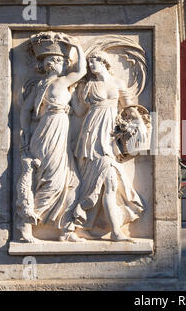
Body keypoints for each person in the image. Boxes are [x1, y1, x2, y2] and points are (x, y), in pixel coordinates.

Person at [71, 50, 145, 242]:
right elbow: (79, 111)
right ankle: (99, 229)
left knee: (107, 183)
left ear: (103, 61)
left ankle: (87, 226)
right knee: (99, 183)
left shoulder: (117, 83)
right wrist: (71, 91)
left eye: (93, 61)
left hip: (109, 137)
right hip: (91, 136)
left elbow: (130, 109)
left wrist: (139, 125)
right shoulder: (88, 85)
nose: (90, 66)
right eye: (88, 63)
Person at [20, 32, 87, 242]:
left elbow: (82, 70)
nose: (58, 63)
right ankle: (25, 226)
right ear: (47, 64)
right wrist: (25, 137)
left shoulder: (62, 82)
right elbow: (24, 111)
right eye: (54, 60)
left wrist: (76, 46)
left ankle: (67, 230)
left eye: (60, 60)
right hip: (47, 132)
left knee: (72, 181)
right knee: (51, 181)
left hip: (60, 130)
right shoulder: (46, 85)